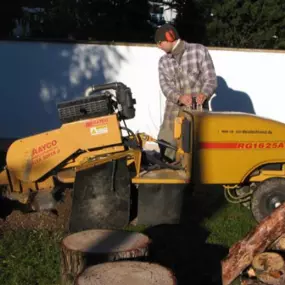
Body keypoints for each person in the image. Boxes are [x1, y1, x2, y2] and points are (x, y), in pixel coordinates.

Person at [155, 24, 217, 162]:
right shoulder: (163, 61)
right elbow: (165, 86)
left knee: (193, 154)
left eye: (160, 43)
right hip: (171, 115)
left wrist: (204, 94)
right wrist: (179, 97)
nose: (158, 47)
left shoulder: (199, 51)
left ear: (169, 37)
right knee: (165, 146)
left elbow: (211, 79)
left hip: (195, 114)